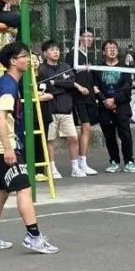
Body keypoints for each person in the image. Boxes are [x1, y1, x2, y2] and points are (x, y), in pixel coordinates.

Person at [0, 41, 58, 254]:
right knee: (24, 189)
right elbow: (0, 118)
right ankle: (34, 237)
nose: (29, 59)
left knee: (2, 191)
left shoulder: (8, 83)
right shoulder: (9, 86)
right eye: (24, 56)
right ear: (13, 61)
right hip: (0, 146)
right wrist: (8, 149)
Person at [95, 40, 135, 173]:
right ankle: (114, 161)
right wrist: (104, 100)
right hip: (104, 107)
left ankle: (129, 162)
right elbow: (95, 87)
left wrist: (114, 99)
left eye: (114, 47)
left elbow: (127, 87)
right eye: (109, 48)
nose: (112, 50)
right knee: (109, 136)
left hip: (121, 106)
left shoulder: (124, 68)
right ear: (103, 52)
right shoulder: (98, 69)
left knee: (125, 135)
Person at [37, 40, 79, 180]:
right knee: (51, 140)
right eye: (52, 49)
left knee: (73, 138)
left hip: (66, 109)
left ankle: (75, 168)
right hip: (50, 110)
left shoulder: (65, 67)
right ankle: (52, 168)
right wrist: (62, 86)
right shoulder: (41, 69)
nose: (56, 52)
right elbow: (44, 88)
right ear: (45, 53)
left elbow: (71, 83)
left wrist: (55, 82)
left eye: (57, 49)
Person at [71, 27, 100, 177]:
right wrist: (79, 87)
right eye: (86, 36)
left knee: (88, 129)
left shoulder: (90, 56)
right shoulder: (73, 55)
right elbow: (68, 76)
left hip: (90, 98)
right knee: (85, 127)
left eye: (91, 36)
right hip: (78, 98)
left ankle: (83, 162)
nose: (89, 39)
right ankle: (79, 163)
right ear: (80, 37)